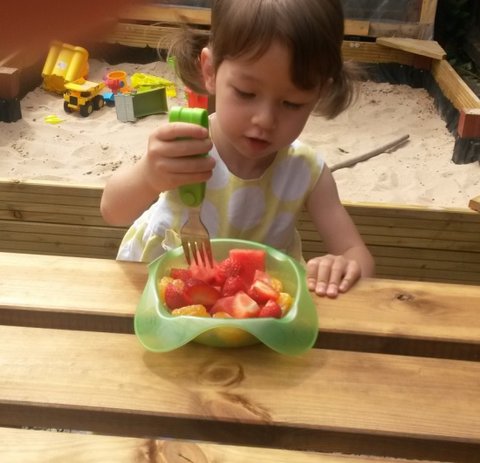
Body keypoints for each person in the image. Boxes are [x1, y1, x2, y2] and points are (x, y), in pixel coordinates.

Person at [100, 0, 375, 298]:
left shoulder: (305, 171)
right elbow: (113, 211)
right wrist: (148, 177)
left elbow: (356, 253)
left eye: (292, 103)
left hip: (254, 306)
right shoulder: (188, 145)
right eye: (246, 93)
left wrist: (344, 265)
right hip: (162, 291)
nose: (265, 120)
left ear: (320, 92)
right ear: (210, 71)